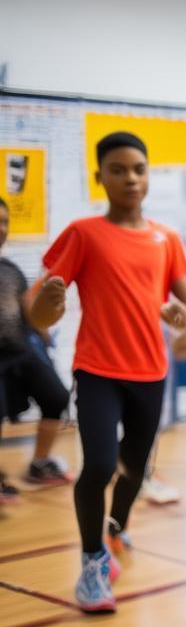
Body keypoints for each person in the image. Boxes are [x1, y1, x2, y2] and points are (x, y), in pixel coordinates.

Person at [29, 132, 186, 612]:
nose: (130, 178)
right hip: (97, 369)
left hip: (149, 373)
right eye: (118, 169)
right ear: (100, 177)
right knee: (98, 464)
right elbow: (41, 312)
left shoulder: (166, 239)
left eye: (138, 168)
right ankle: (92, 561)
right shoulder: (83, 234)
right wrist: (45, 310)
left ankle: (116, 528)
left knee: (134, 469)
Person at [0, 196, 71, 495]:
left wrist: (43, 336)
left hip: (21, 352)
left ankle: (40, 462)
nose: (1, 228)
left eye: (4, 222)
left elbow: (27, 310)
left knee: (56, 396)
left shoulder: (10, 269)